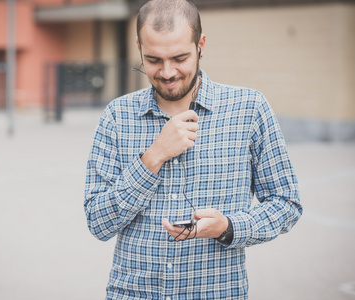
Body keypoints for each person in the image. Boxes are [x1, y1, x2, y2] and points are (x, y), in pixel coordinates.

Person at [84, 0, 303, 298]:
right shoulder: (116, 115)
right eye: (153, 60)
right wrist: (153, 157)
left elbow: (286, 204)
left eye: (179, 57)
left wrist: (228, 226)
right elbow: (98, 223)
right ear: (138, 46)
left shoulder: (249, 109)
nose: (167, 72)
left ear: (201, 44)